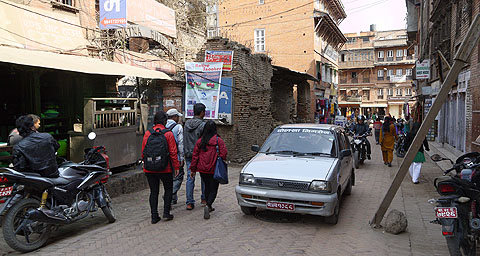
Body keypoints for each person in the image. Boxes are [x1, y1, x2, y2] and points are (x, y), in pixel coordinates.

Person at [142, 111, 180, 224]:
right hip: (165, 167)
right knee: (168, 189)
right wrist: (176, 166)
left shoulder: (148, 133)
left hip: (149, 168)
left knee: (154, 191)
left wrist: (145, 163)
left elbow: (143, 151)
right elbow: (173, 152)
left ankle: (154, 216)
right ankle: (166, 213)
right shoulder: (168, 134)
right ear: (165, 121)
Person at [190, 121, 227, 219]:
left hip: (202, 169)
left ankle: (208, 203)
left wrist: (193, 169)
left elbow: (195, 156)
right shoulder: (218, 141)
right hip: (214, 168)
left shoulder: (200, 141)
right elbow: (224, 154)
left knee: (206, 186)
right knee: (214, 188)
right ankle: (208, 205)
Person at [184, 103, 206, 210]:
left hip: (188, 155)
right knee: (204, 177)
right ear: (202, 112)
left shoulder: (186, 124)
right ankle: (204, 198)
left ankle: (189, 202)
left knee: (190, 177)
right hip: (200, 154)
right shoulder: (203, 125)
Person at [166, 108, 185, 205]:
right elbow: (180, 144)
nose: (178, 118)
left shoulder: (162, 125)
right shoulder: (178, 127)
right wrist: (181, 158)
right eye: (177, 116)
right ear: (174, 117)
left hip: (164, 157)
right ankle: (170, 194)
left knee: (169, 177)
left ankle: (172, 198)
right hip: (175, 156)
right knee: (178, 176)